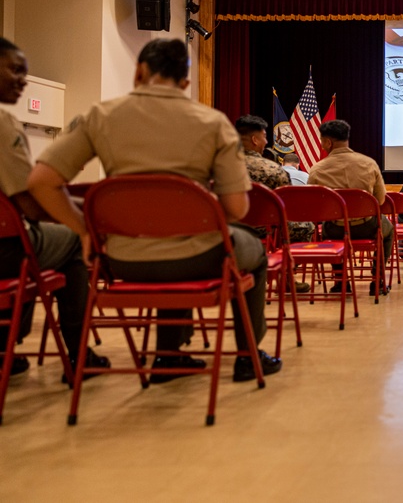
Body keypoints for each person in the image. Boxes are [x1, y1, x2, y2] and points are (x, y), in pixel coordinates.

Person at [27, 38, 280, 383]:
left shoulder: (99, 116)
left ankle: (169, 355)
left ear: (139, 72)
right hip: (199, 255)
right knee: (251, 249)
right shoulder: (213, 122)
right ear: (186, 83)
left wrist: (85, 229)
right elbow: (237, 207)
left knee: (166, 239)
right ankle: (248, 357)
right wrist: (195, 215)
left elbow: (41, 182)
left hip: (119, 257)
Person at [0, 37, 109, 379]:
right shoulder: (3, 124)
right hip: (5, 251)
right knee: (73, 238)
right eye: (15, 69)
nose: (22, 80)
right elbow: (30, 203)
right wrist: (85, 219)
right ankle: (78, 355)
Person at [307, 119, 394, 296]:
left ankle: (341, 282)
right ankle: (377, 280)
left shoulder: (317, 169)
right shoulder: (369, 163)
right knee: (389, 230)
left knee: (327, 230)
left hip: (335, 229)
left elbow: (314, 206)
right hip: (367, 227)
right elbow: (380, 200)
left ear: (328, 142)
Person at [234, 115, 314, 247]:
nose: (266, 141)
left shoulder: (219, 168)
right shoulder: (273, 170)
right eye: (264, 136)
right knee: (307, 226)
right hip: (264, 228)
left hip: (228, 228)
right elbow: (288, 208)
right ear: (255, 140)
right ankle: (284, 264)